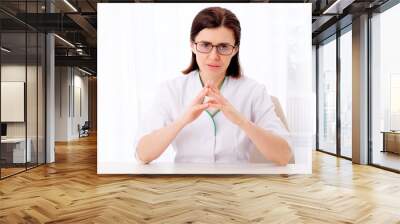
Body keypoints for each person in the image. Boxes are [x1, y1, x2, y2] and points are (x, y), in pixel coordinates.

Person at [135, 6, 293, 165]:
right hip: (185, 183)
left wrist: (241, 121)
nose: (214, 56)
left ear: (235, 49)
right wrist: (182, 120)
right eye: (205, 45)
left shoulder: (253, 91)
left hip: (236, 185)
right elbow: (142, 154)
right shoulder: (171, 90)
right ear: (192, 45)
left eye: (223, 47)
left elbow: (284, 156)